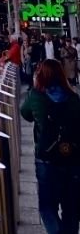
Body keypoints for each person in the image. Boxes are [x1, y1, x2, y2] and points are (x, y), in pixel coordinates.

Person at [21, 59, 80, 234]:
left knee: (47, 206)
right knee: (71, 207)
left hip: (46, 157)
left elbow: (26, 114)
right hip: (72, 157)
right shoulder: (73, 98)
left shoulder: (36, 96)